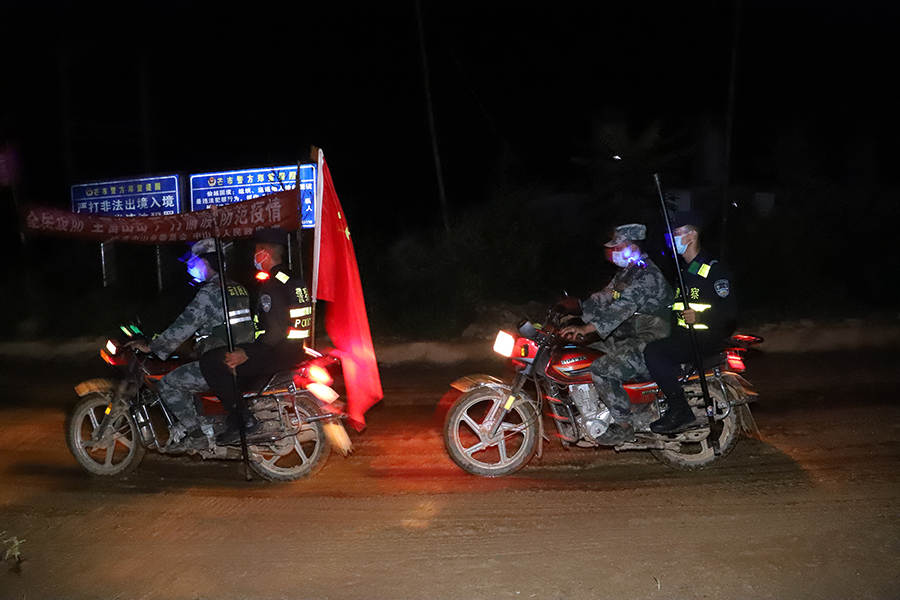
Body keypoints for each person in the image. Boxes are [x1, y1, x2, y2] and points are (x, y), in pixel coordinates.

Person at [129, 239, 254, 446]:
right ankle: (206, 423)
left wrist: (153, 346)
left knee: (169, 383)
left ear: (206, 263)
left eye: (194, 262)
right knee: (187, 372)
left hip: (220, 362)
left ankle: (196, 434)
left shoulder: (210, 292)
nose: (191, 267)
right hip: (243, 356)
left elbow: (185, 325)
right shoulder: (239, 288)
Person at [560, 223, 672, 444]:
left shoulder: (646, 275)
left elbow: (620, 310)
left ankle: (623, 425)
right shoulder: (627, 273)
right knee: (584, 354)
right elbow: (605, 298)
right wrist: (576, 310)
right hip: (631, 336)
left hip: (652, 339)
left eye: (618, 246)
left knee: (602, 369)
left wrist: (585, 328)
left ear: (631, 246)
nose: (613, 252)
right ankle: (594, 410)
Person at [200, 228, 313, 445]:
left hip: (277, 353)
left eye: (256, 251)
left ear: (265, 253)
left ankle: (242, 420)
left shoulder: (272, 286)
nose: (254, 257)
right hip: (294, 349)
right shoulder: (293, 279)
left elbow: (275, 333)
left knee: (212, 362)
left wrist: (246, 353)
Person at [644, 210, 737, 434]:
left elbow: (730, 311)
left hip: (705, 338)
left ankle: (680, 409)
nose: (671, 239)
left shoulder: (713, 269)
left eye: (676, 233)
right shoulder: (684, 271)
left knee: (654, 352)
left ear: (691, 235)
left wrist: (701, 317)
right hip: (685, 336)